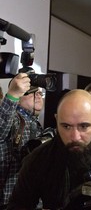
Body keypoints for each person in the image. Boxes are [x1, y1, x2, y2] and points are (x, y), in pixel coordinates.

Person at [7, 89, 91, 210]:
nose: (74, 137)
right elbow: (18, 204)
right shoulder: (39, 159)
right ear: (56, 120)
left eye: (84, 126)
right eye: (66, 126)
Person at [0, 74, 45, 208]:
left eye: (40, 93)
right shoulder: (13, 119)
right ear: (19, 98)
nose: (38, 95)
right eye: (31, 92)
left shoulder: (35, 123)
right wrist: (12, 95)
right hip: (9, 202)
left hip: (32, 201)